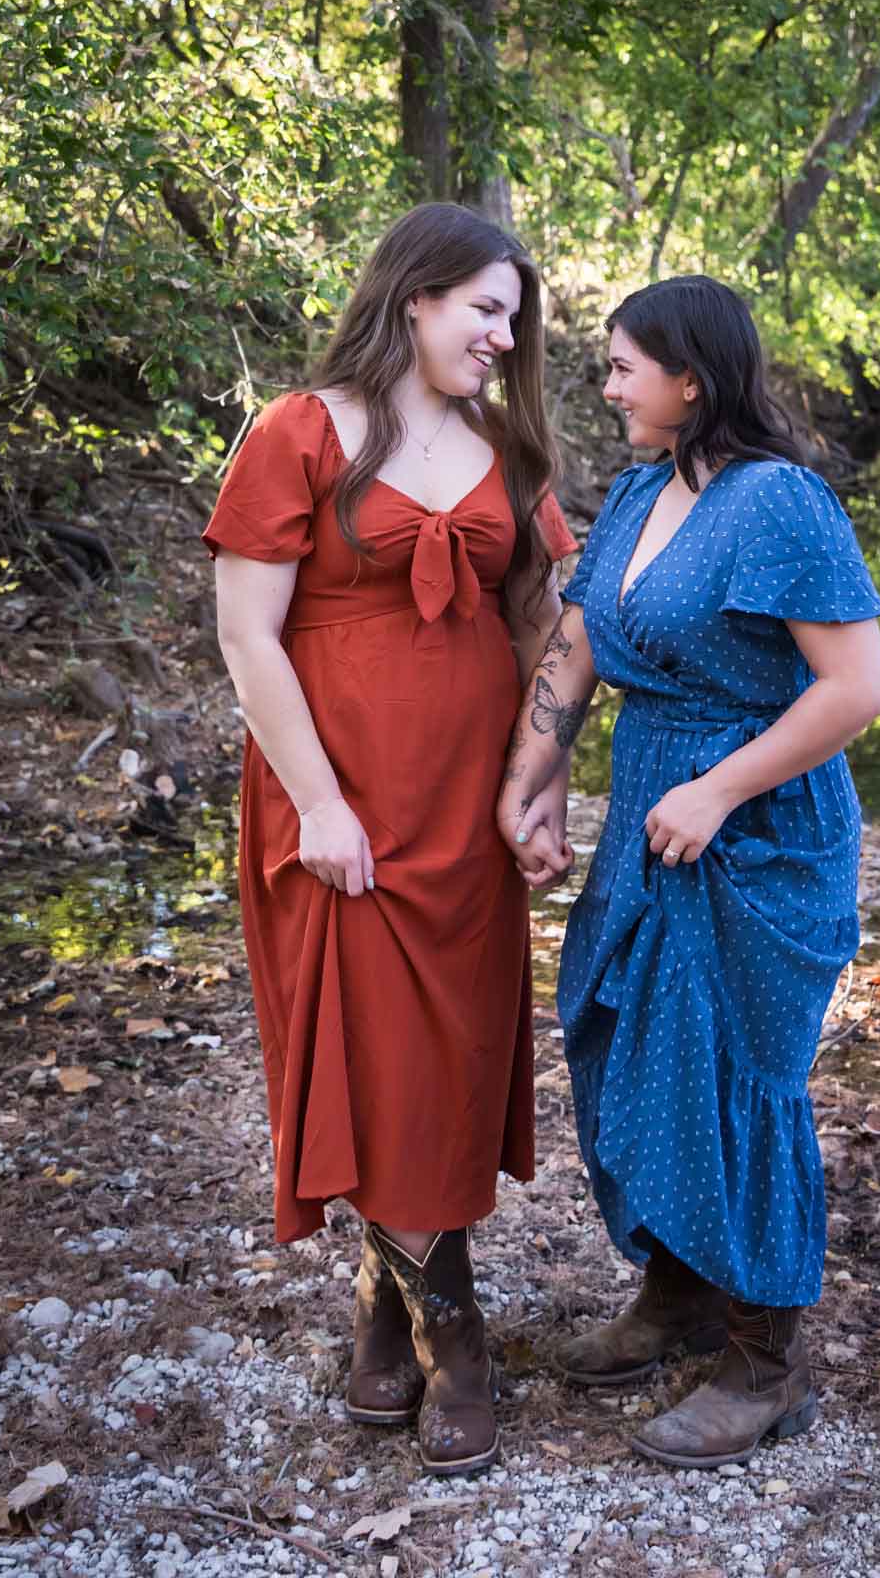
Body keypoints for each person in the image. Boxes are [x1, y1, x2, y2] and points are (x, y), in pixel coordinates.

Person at [203, 204, 576, 1476]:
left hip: (465, 802)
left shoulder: (506, 445)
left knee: (450, 1053)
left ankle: (383, 1305)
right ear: (414, 297)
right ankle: (454, 1329)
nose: (502, 334)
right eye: (484, 307)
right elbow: (250, 633)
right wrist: (317, 802)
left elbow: (542, 623)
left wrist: (543, 784)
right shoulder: (298, 430)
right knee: (374, 1049)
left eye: (512, 314)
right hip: (336, 799)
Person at [497, 274, 880, 1469]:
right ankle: (673, 1300)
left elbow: (856, 688)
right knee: (628, 1039)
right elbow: (575, 641)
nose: (606, 383)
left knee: (734, 1073)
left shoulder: (782, 503)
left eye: (622, 364)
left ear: (691, 379)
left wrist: (721, 789)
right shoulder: (634, 493)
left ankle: (764, 1362)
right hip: (651, 818)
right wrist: (536, 773)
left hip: (757, 829)